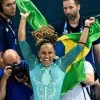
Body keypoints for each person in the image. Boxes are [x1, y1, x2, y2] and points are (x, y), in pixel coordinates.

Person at [18, 12, 95, 100]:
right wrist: (23, 19)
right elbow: (22, 42)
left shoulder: (61, 65)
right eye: (43, 53)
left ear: (54, 53)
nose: (47, 56)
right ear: (39, 53)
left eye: (50, 53)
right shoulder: (33, 64)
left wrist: (87, 25)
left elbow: (80, 46)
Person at [54, 0, 100, 78]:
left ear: (78, 7)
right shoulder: (58, 29)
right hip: (68, 71)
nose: (68, 11)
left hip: (88, 70)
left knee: (97, 85)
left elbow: (98, 53)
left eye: (71, 7)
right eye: (65, 8)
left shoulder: (91, 26)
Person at [0, 0, 17, 68]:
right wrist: (10, 75)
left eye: (14, 3)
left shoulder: (8, 20)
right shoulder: (0, 27)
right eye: (9, 5)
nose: (13, 7)